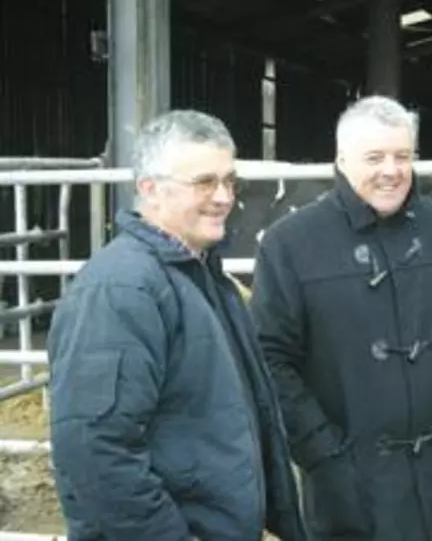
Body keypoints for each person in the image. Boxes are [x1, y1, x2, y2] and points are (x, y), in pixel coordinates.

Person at [45, 109, 306, 541]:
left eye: (229, 181)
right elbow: (96, 455)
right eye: (204, 182)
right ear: (150, 190)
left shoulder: (206, 279)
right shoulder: (121, 290)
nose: (224, 197)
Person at [249, 95, 432, 541]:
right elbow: (271, 358)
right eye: (374, 157)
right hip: (349, 481)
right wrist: (322, 450)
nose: (391, 170)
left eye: (403, 156)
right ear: (342, 160)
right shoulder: (290, 243)